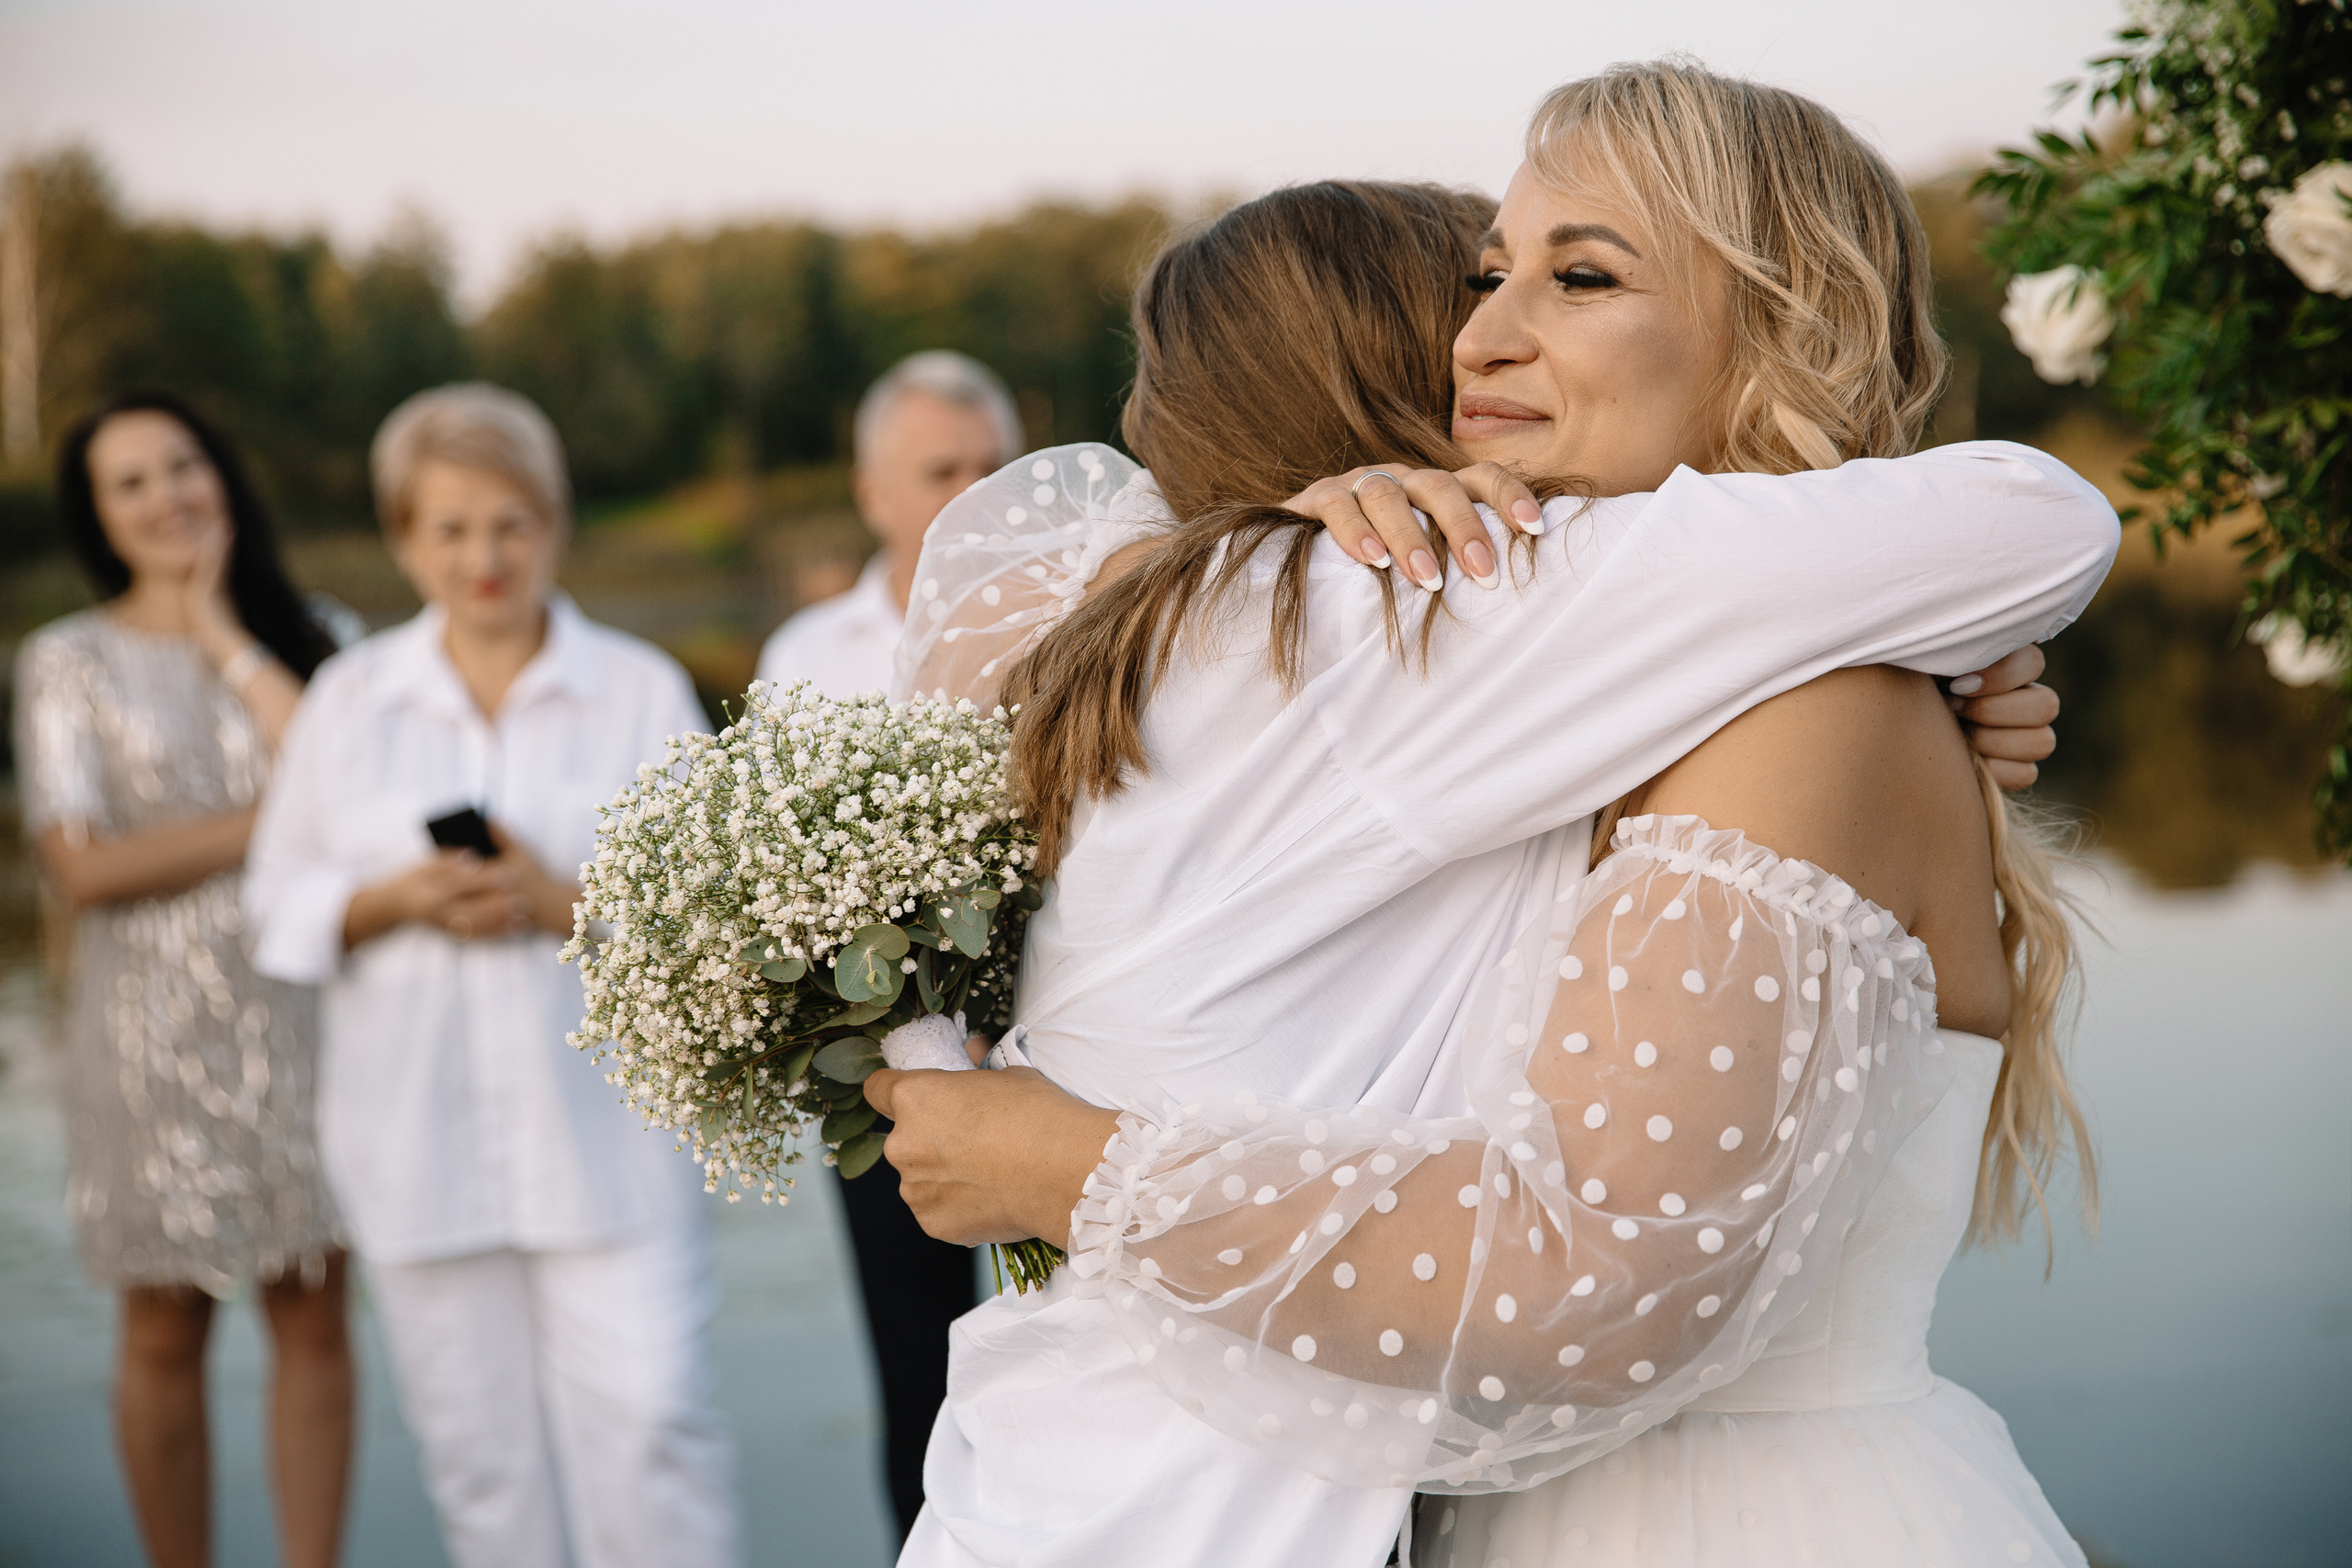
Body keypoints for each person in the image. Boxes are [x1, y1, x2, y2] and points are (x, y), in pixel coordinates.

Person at [866, 67, 2109, 1568]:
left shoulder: (1801, 705)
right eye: (1484, 277)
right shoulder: (1546, 697)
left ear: (1781, 326)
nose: (1485, 334)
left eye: (1578, 275)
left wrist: (1075, 1163)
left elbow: (1597, 1278)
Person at [241, 383, 739, 1568]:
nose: (484, 556)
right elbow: (277, 904)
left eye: (511, 522)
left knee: (655, 1430)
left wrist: (559, 902)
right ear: (403, 537)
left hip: (614, 1147)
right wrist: (395, 900)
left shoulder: (640, 690)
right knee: (480, 1469)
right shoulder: (350, 703)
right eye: (450, 528)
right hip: (417, 1145)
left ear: (555, 523)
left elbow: (723, 925)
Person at [14, 390, 351, 1568]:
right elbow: (83, 867)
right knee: (161, 1327)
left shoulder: (319, 631)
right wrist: (272, 819)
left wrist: (220, 633)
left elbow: (352, 805)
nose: (166, 497)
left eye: (182, 466)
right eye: (131, 482)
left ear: (224, 476)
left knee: (313, 1308)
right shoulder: (64, 662)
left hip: (310, 1020)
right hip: (142, 1039)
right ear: (98, 517)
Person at [754, 348, 1024, 1540]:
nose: (973, 491)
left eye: (992, 464)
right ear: (874, 491)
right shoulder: (805, 653)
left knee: (1068, 1359)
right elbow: (769, 874)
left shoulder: (1091, 615)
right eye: (941, 469)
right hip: (878, 1073)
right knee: (914, 1378)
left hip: (1063, 1049)